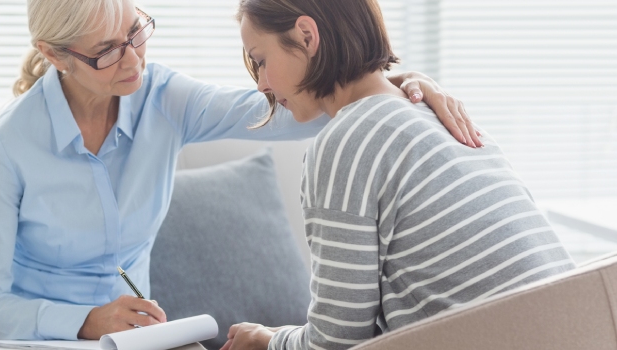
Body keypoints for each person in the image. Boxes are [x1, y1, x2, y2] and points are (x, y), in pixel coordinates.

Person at [0, 0, 480, 349]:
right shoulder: (9, 141)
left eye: (135, 32)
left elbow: (293, 107)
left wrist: (394, 85)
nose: (132, 60)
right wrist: (86, 321)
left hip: (126, 339)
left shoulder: (161, 98)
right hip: (9, 335)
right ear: (54, 55)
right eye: (106, 52)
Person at [222, 0, 576, 349]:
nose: (261, 85)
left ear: (306, 36)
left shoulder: (346, 142)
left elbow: (335, 342)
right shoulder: (448, 120)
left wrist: (268, 341)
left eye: (261, 61)